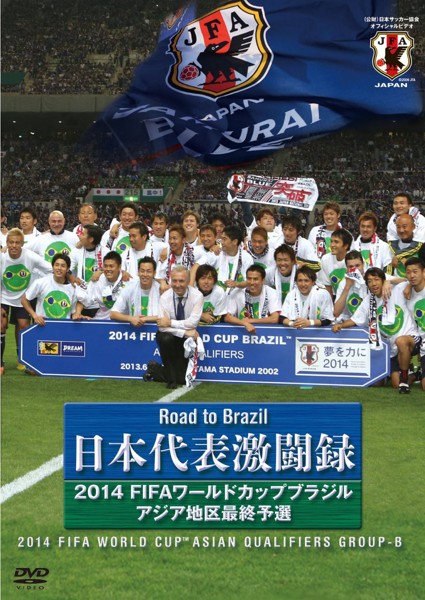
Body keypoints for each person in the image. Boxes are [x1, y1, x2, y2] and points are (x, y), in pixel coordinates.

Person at [332, 267, 419, 393]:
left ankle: (404, 380)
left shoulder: (396, 290)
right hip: (391, 347)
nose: (373, 284)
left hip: (409, 338)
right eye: (369, 281)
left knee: (400, 341)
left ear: (383, 280)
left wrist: (390, 282)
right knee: (395, 383)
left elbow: (408, 281)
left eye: (376, 279)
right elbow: (356, 319)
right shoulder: (369, 300)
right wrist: (341, 325)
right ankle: (414, 375)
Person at [1, 228, 52, 369]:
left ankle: (21, 358)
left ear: (22, 244)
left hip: (23, 297)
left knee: (23, 326)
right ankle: (0, 362)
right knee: (1, 324)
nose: (14, 245)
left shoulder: (30, 256)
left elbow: (50, 269)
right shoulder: (2, 257)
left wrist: (41, 284)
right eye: (11, 242)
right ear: (7, 243)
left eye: (17, 242)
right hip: (3, 297)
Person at [156, 266, 203, 389]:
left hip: (186, 340)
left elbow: (192, 323)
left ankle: (155, 369)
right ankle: (171, 380)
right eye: (174, 281)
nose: (177, 285)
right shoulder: (164, 297)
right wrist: (184, 332)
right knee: (164, 337)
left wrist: (171, 323)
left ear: (188, 281)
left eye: (181, 281)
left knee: (182, 379)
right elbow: (162, 327)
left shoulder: (197, 296)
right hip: (172, 337)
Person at [21, 254, 86, 324]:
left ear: (67, 269)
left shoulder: (72, 288)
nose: (59, 268)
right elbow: (24, 300)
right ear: (52, 267)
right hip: (43, 325)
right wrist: (35, 316)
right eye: (57, 265)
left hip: (63, 327)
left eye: (63, 266)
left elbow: (74, 310)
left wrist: (78, 314)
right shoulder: (41, 282)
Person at [190, 226, 253, 292]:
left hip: (238, 295)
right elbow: (196, 266)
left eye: (224, 239)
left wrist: (236, 284)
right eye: (221, 239)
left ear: (234, 241)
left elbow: (249, 281)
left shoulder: (246, 258)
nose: (221, 242)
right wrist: (191, 288)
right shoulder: (217, 252)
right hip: (217, 296)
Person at [224, 264, 280, 333]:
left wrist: (251, 321)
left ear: (263, 280)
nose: (252, 282)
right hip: (241, 332)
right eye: (249, 279)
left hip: (265, 333)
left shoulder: (272, 292)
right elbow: (227, 317)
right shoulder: (237, 292)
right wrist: (245, 323)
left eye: (255, 279)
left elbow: (275, 319)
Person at [77, 251, 128, 320]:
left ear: (119, 267)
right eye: (105, 266)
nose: (108, 269)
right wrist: (78, 313)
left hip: (122, 321)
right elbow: (84, 298)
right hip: (101, 321)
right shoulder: (97, 280)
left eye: (111, 266)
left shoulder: (127, 280)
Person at [110, 257, 160, 326]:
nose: (145, 274)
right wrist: (130, 318)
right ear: (138, 272)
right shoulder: (129, 288)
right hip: (134, 329)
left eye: (148, 271)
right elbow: (113, 314)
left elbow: (167, 317)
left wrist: (145, 319)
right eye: (142, 271)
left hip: (157, 330)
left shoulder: (160, 289)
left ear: (154, 273)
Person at [403, 257, 425, 391]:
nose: (411, 275)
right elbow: (386, 278)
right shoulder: (407, 293)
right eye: (408, 272)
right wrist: (408, 285)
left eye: (415, 272)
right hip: (420, 340)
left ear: (424, 272)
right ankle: (414, 373)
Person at [157, 224, 196, 291]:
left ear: (183, 240)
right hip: (169, 291)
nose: (171, 241)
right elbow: (157, 275)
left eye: (174, 238)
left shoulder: (193, 253)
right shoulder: (165, 254)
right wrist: (162, 282)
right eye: (170, 238)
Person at [319, 229, 353, 297]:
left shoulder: (354, 259)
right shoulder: (325, 259)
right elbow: (327, 286)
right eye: (331, 241)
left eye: (336, 242)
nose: (332, 245)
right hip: (335, 296)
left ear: (346, 246)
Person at [388, 214, 423, 278]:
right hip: (396, 283)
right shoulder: (392, 247)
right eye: (398, 227)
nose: (401, 230)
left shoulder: (422, 247)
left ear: (413, 227)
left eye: (404, 227)